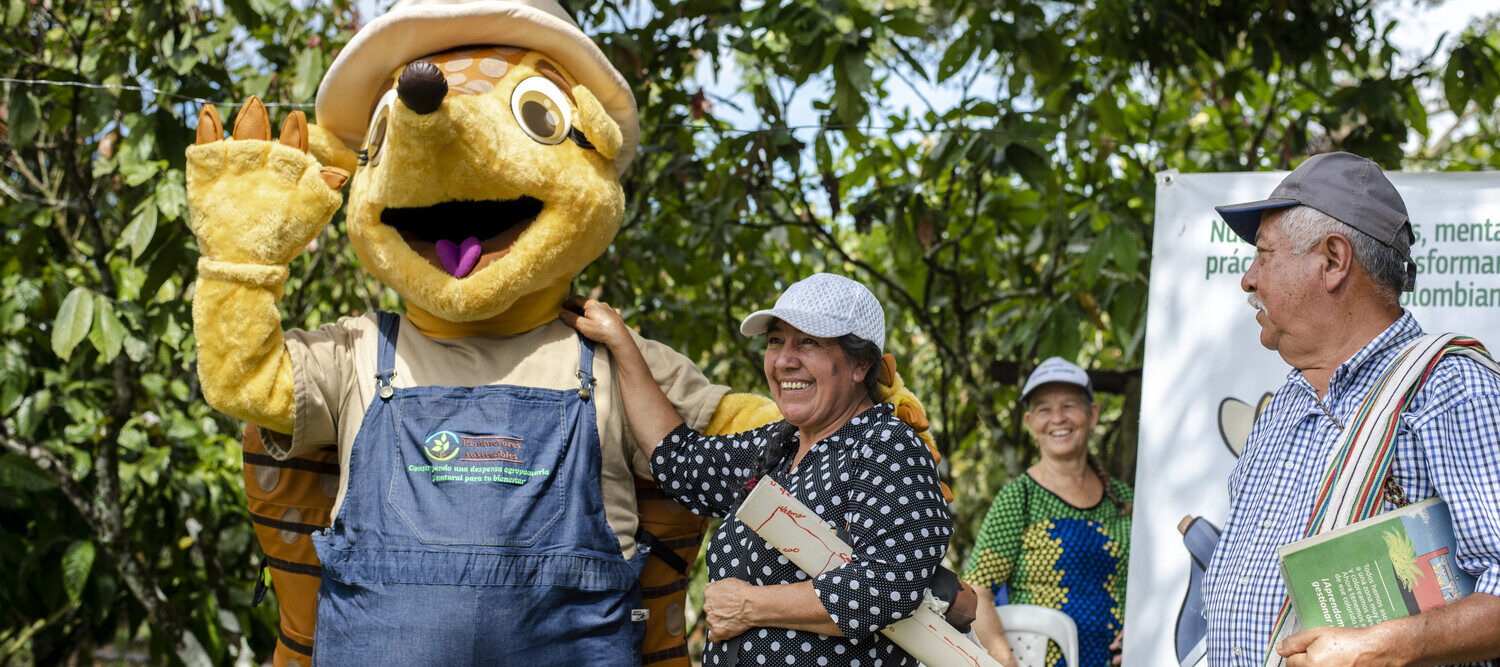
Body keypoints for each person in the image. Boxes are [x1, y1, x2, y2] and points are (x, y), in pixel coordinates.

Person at [562, 272, 953, 667]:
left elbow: (890, 586)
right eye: (775, 341)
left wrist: (750, 605)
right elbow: (679, 463)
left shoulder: (886, 443)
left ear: (860, 364)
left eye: (808, 342)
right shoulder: (779, 444)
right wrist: (622, 344)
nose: (785, 360)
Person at [1203, 151, 1500, 666]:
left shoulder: (1450, 388)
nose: (1249, 280)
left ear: (1334, 260)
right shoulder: (1284, 404)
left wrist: (1387, 648)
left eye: (1265, 255)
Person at [962, 357, 1133, 667]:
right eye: (1044, 409)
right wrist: (1005, 660)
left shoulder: (1124, 499)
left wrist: (1141, 629)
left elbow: (1148, 582)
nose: (1058, 418)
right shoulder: (1020, 498)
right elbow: (977, 592)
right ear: (1030, 423)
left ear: (1092, 415)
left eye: (1069, 406)